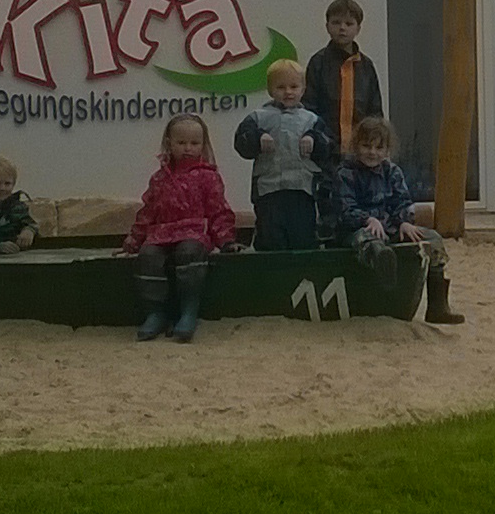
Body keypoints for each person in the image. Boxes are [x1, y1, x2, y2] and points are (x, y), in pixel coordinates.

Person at [331, 116, 464, 325]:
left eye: (378, 147)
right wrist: (367, 219)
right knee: (368, 240)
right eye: (366, 146)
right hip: (357, 229)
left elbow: (402, 201)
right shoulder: (346, 173)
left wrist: (404, 221)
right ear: (356, 146)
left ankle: (437, 306)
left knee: (432, 239)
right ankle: (385, 272)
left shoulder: (392, 172)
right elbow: (344, 208)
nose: (372, 152)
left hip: (390, 227)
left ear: (387, 150)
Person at [120, 114, 241, 343]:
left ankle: (188, 311)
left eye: (194, 143)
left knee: (189, 251)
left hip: (193, 231)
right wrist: (134, 240)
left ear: (203, 145)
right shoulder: (159, 179)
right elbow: (147, 212)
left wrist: (226, 240)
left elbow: (219, 211)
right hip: (161, 234)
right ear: (169, 143)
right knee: (148, 256)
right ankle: (155, 313)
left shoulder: (208, 176)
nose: (188, 148)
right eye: (181, 142)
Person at [232, 59, 336, 251]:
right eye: (281, 87)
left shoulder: (312, 120)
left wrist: (313, 139)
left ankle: (302, 270)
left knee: (303, 239)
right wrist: (258, 137)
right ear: (270, 90)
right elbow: (240, 143)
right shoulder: (258, 117)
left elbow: (328, 146)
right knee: (270, 239)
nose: (288, 92)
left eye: (294, 87)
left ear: (303, 89)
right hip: (268, 191)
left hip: (302, 191)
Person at [302, 0, 383, 154]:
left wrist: (375, 143)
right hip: (325, 149)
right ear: (327, 26)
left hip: (360, 150)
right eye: (336, 22)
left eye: (349, 23)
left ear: (358, 29)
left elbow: (375, 111)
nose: (342, 28)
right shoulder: (318, 62)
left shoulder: (366, 66)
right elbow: (309, 106)